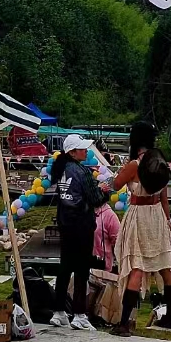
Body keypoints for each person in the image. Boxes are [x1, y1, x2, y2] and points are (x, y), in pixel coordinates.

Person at [112, 122, 171, 334]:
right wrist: (168, 220)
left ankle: (124, 323)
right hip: (157, 215)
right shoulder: (160, 162)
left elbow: (116, 184)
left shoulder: (135, 164)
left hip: (139, 215)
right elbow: (164, 197)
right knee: (166, 264)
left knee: (136, 266)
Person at [50, 133, 107, 331]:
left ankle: (59, 311)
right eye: (82, 149)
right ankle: (79, 314)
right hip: (82, 224)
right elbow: (96, 199)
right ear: (73, 152)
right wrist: (104, 189)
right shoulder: (83, 171)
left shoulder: (61, 169)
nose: (85, 151)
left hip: (65, 223)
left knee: (65, 267)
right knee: (82, 269)